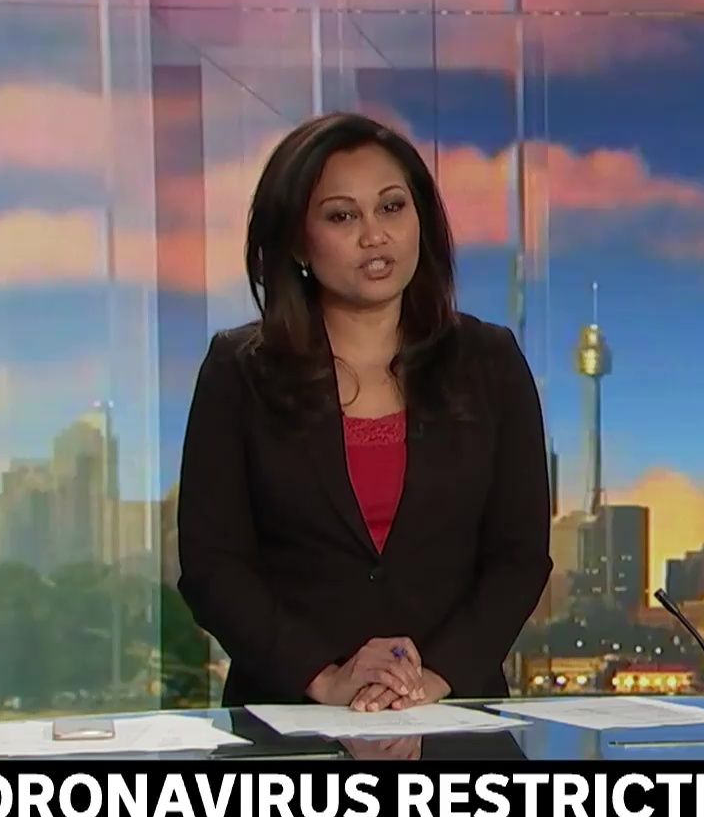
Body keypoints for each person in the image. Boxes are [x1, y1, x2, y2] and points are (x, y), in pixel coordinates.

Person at [176, 111, 553, 713]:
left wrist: (430, 681)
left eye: (392, 207)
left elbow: (519, 558)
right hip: (289, 719)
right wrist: (325, 679)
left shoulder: (490, 362)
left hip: (453, 717)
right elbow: (212, 566)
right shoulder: (238, 371)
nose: (375, 235)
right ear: (297, 240)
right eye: (342, 216)